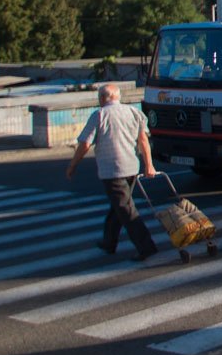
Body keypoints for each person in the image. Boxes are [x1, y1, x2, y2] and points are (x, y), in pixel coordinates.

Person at [65, 84, 160, 262]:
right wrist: (149, 165)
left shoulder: (99, 115)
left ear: (102, 98)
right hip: (131, 167)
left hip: (112, 171)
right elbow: (143, 140)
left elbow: (85, 144)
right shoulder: (133, 112)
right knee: (119, 206)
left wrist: (72, 165)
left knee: (125, 209)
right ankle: (109, 242)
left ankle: (146, 246)